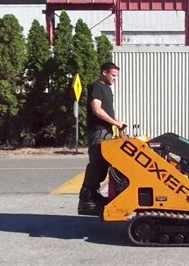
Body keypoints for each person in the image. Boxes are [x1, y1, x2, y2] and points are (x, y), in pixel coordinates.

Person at [78, 62, 125, 215]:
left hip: (106, 131)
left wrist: (117, 122)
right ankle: (87, 199)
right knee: (97, 163)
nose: (115, 79)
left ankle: (95, 196)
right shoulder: (97, 87)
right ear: (104, 73)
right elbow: (97, 110)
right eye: (113, 75)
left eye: (116, 76)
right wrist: (115, 122)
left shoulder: (107, 89)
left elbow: (108, 112)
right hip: (98, 132)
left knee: (105, 165)